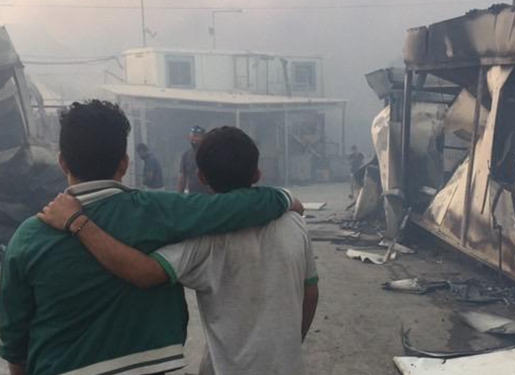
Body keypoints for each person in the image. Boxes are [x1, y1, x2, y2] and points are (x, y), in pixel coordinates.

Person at [0, 101, 298, 375]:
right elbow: (238, 204)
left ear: (62, 162)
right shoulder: (160, 211)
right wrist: (285, 197)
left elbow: (15, 341)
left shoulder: (29, 237)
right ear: (125, 163)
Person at [177, 126, 209, 194]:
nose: (194, 139)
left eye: (197, 136)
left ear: (203, 138)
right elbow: (182, 176)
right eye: (192, 136)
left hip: (208, 195)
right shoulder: (186, 155)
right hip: (193, 194)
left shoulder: (210, 154)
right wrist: (179, 196)